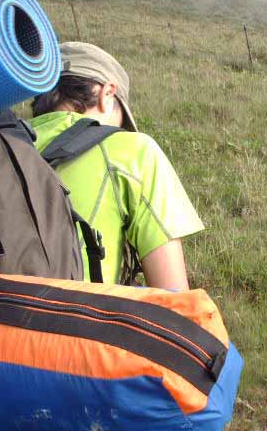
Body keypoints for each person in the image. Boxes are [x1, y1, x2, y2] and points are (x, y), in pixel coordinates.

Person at [31, 41, 204, 290]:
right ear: (107, 94)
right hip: (77, 314)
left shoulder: (2, 144)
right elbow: (172, 294)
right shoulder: (135, 151)